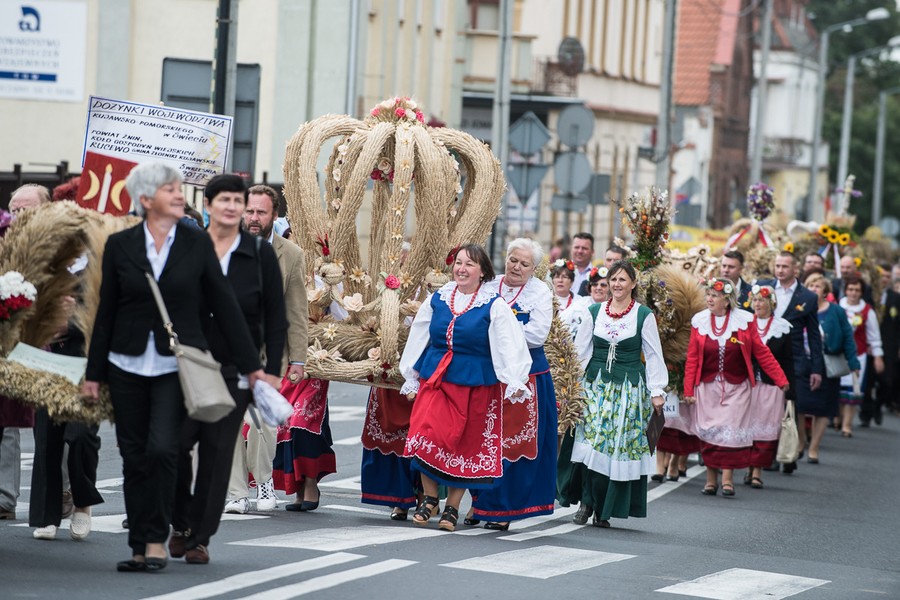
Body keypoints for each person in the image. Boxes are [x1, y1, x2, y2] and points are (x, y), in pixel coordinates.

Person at [81, 163, 266, 573]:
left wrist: (252, 367)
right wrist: (93, 374)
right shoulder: (121, 245)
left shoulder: (195, 243)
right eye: (170, 189)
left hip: (174, 366)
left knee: (163, 448)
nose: (180, 194)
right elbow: (106, 312)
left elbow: (224, 305)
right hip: (124, 364)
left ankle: (156, 540)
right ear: (147, 200)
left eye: (180, 188)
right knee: (133, 455)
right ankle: (139, 544)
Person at [169, 174, 287, 565]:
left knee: (219, 453)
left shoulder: (258, 253)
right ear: (208, 205)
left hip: (237, 368)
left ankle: (200, 536)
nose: (234, 207)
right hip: (185, 365)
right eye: (226, 200)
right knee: (173, 446)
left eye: (240, 200)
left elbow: (275, 314)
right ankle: (180, 521)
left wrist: (270, 369)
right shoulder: (186, 246)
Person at [400, 244, 531, 532]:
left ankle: (452, 507)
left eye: (469, 264)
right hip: (436, 377)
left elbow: (509, 343)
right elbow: (419, 332)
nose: (461, 268)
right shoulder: (439, 297)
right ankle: (430, 498)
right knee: (425, 432)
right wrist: (410, 372)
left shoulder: (493, 305)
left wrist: (514, 379)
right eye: (458, 263)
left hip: (475, 383)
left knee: (463, 443)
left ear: (482, 271)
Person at [558, 261, 667, 528]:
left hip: (628, 389)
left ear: (632, 284)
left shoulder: (643, 315)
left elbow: (653, 355)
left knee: (614, 447)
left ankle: (604, 509)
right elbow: (581, 352)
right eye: (613, 280)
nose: (617, 284)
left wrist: (657, 390)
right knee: (591, 444)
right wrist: (572, 387)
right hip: (594, 386)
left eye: (622, 280)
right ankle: (586, 503)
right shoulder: (594, 311)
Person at [225, 184, 308, 514]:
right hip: (228, 349)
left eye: (260, 212)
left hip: (267, 354)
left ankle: (263, 481)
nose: (254, 218)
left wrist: (298, 358)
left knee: (263, 422)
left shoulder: (291, 255)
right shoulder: (226, 246)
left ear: (275, 214)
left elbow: (296, 310)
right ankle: (235, 492)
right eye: (249, 211)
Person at [473, 239, 565, 530]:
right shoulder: (490, 286)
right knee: (483, 439)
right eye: (513, 260)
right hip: (489, 373)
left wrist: (499, 332)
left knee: (514, 444)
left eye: (524, 264)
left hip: (527, 377)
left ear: (534, 269)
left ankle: (505, 509)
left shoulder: (539, 292)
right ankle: (480, 503)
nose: (516, 267)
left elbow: (537, 335)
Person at [683, 278, 787, 497]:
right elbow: (692, 357)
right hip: (707, 386)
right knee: (710, 433)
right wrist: (688, 390)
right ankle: (711, 480)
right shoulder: (699, 321)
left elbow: (762, 352)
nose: (709, 299)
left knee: (728, 434)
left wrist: (780, 379)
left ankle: (728, 480)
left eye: (714, 295)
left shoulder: (744, 321)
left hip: (737, 387)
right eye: (708, 295)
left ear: (727, 300)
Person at [30, 287, 104, 541]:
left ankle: (82, 503)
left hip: (87, 361)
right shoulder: (45, 256)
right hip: (46, 359)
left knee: (82, 435)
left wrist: (72, 320)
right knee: (46, 437)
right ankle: (48, 516)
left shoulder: (98, 257)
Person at [0, 184, 51, 521]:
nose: (20, 216)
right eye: (15, 210)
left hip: (41, 344)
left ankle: (59, 492)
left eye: (27, 209)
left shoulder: (58, 246)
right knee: (4, 421)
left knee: (50, 428)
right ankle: (5, 496)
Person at [759, 251, 823, 474]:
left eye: (785, 266)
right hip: (763, 356)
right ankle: (766, 452)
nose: (780, 270)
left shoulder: (808, 297)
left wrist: (816, 368)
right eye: (777, 265)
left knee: (788, 407)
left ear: (795, 269)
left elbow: (814, 336)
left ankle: (787, 453)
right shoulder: (762, 287)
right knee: (765, 407)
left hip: (792, 360)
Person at [800, 273, 859, 461]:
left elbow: (848, 337)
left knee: (823, 407)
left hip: (828, 364)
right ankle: (801, 441)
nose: (813, 290)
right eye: (810, 286)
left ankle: (814, 448)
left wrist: (853, 363)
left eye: (817, 286)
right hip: (803, 362)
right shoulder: (800, 309)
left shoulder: (836, 311)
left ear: (825, 292)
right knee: (799, 405)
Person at [744, 285, 794, 489]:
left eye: (762, 300)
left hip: (772, 387)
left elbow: (789, 360)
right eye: (754, 300)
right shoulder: (744, 324)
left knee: (765, 429)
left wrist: (790, 389)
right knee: (746, 426)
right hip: (748, 385)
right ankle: (748, 467)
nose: (757, 304)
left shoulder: (782, 327)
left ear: (771, 304)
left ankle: (757, 471)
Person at [837, 276, 883, 437]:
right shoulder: (837, 307)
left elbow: (874, 336)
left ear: (861, 292)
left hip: (858, 355)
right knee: (839, 390)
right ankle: (839, 418)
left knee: (853, 390)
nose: (853, 293)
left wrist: (878, 356)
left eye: (857, 290)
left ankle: (847, 425)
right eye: (850, 289)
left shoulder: (867, 311)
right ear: (845, 290)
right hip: (837, 355)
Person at [550, 258, 594, 344]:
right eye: (557, 277)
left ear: (572, 281)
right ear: (552, 280)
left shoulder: (580, 301)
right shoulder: (546, 300)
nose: (560, 280)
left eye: (564, 277)